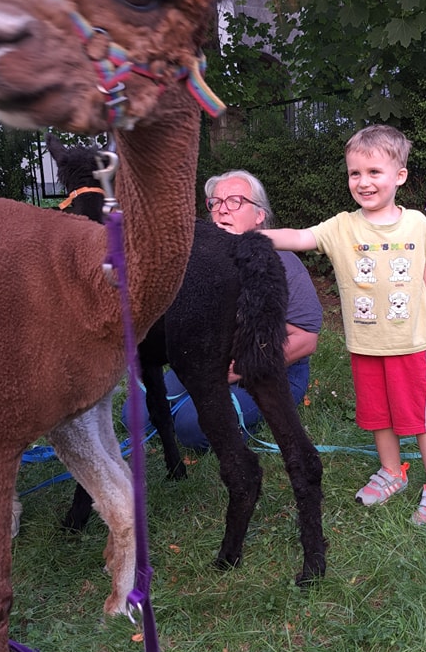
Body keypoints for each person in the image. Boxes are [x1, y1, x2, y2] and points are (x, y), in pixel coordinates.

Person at [262, 124, 426, 526]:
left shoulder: (417, 224)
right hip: (365, 346)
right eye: (355, 173)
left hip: (411, 345)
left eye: (374, 172)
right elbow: (299, 237)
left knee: (421, 420)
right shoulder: (341, 226)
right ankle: (392, 471)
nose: (363, 182)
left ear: (399, 176)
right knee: (378, 416)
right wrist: (251, 236)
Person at [125, 170, 323, 448]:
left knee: (191, 427)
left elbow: (306, 340)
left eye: (235, 201)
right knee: (134, 416)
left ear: (259, 215)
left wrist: (240, 368)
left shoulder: (285, 263)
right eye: (215, 202)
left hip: (274, 369)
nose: (222, 210)